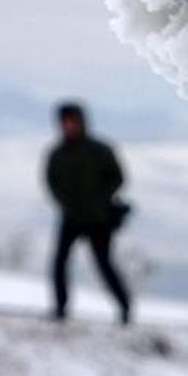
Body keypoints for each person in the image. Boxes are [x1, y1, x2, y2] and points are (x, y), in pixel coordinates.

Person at [45, 102, 132, 325]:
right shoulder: (57, 153)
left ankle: (124, 308)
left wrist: (99, 201)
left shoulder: (99, 150)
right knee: (60, 263)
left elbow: (118, 178)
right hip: (71, 217)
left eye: (72, 121)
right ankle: (60, 309)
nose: (68, 126)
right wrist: (66, 203)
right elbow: (51, 182)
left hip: (99, 219)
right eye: (65, 122)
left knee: (103, 265)